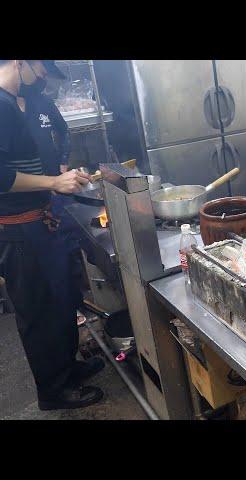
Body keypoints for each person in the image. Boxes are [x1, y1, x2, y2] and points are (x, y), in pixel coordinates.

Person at [0, 60, 104, 410]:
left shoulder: (19, 101)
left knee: (60, 302)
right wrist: (53, 182)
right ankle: (53, 391)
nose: (44, 74)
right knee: (38, 312)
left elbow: (29, 159)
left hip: (41, 220)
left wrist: (64, 174)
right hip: (19, 230)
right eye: (40, 67)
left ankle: (67, 369)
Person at [16, 61, 87, 325]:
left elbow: (64, 131)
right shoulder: (7, 106)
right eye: (41, 70)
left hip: (53, 195)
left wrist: (63, 162)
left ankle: (73, 305)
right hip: (25, 209)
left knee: (65, 254)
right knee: (40, 287)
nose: (43, 76)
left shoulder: (42, 103)